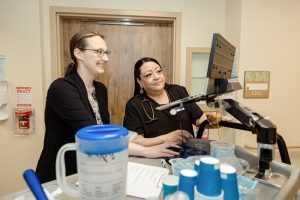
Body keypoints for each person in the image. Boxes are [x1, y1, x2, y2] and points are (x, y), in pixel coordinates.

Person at [36, 31, 179, 183]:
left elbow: (104, 129)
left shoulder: (100, 89)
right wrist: (146, 151)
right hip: (62, 174)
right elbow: (95, 136)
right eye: (99, 52)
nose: (106, 58)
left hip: (91, 171)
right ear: (78, 53)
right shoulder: (62, 88)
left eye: (106, 52)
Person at [123, 57, 221, 147]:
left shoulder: (179, 91)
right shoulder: (134, 105)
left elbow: (199, 120)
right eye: (148, 75)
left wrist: (211, 119)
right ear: (139, 81)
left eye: (159, 71)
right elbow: (135, 140)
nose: (156, 77)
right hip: (156, 157)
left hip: (187, 153)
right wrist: (166, 139)